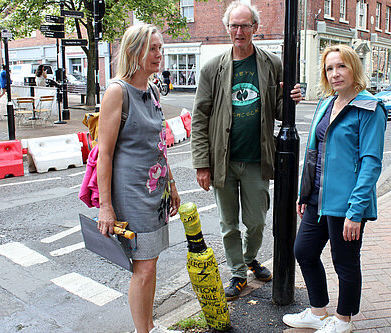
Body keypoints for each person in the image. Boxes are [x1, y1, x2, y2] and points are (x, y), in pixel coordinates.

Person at [191, 1, 302, 301]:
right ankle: (239, 273)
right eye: (234, 26)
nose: (239, 31)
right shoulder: (213, 68)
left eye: (245, 25)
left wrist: (292, 98)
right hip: (223, 161)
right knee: (229, 225)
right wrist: (202, 164)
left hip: (257, 160)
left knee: (256, 221)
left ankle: (250, 257)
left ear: (255, 28)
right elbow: (200, 116)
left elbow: (280, 110)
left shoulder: (271, 64)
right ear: (227, 28)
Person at [282, 44, 387, 333]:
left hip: (347, 202)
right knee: (303, 251)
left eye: (341, 66)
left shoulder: (369, 108)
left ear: (354, 67)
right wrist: (305, 193)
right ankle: (318, 312)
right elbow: (314, 153)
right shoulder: (326, 103)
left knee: (345, 262)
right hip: (317, 198)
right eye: (329, 68)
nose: (335, 73)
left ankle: (343, 321)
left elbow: (371, 162)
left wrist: (356, 211)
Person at [96, 24, 180, 333]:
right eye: (153, 48)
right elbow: (104, 153)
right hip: (131, 194)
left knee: (151, 263)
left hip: (155, 192)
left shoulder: (153, 88)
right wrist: (106, 207)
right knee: (142, 269)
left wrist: (170, 185)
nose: (159, 54)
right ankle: (142, 331)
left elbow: (158, 144)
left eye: (161, 48)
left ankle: (148, 326)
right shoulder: (118, 91)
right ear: (134, 51)